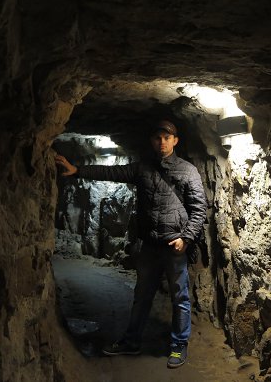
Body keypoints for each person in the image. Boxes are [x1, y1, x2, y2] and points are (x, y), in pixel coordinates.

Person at [54, 119, 207, 369]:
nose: (162, 142)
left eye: (167, 138)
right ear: (152, 141)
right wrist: (77, 170)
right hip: (149, 245)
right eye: (157, 138)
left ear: (175, 141)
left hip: (174, 245)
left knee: (180, 297)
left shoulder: (187, 171)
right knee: (142, 296)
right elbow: (112, 173)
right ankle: (131, 341)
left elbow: (199, 209)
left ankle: (179, 344)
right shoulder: (142, 168)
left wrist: (186, 238)